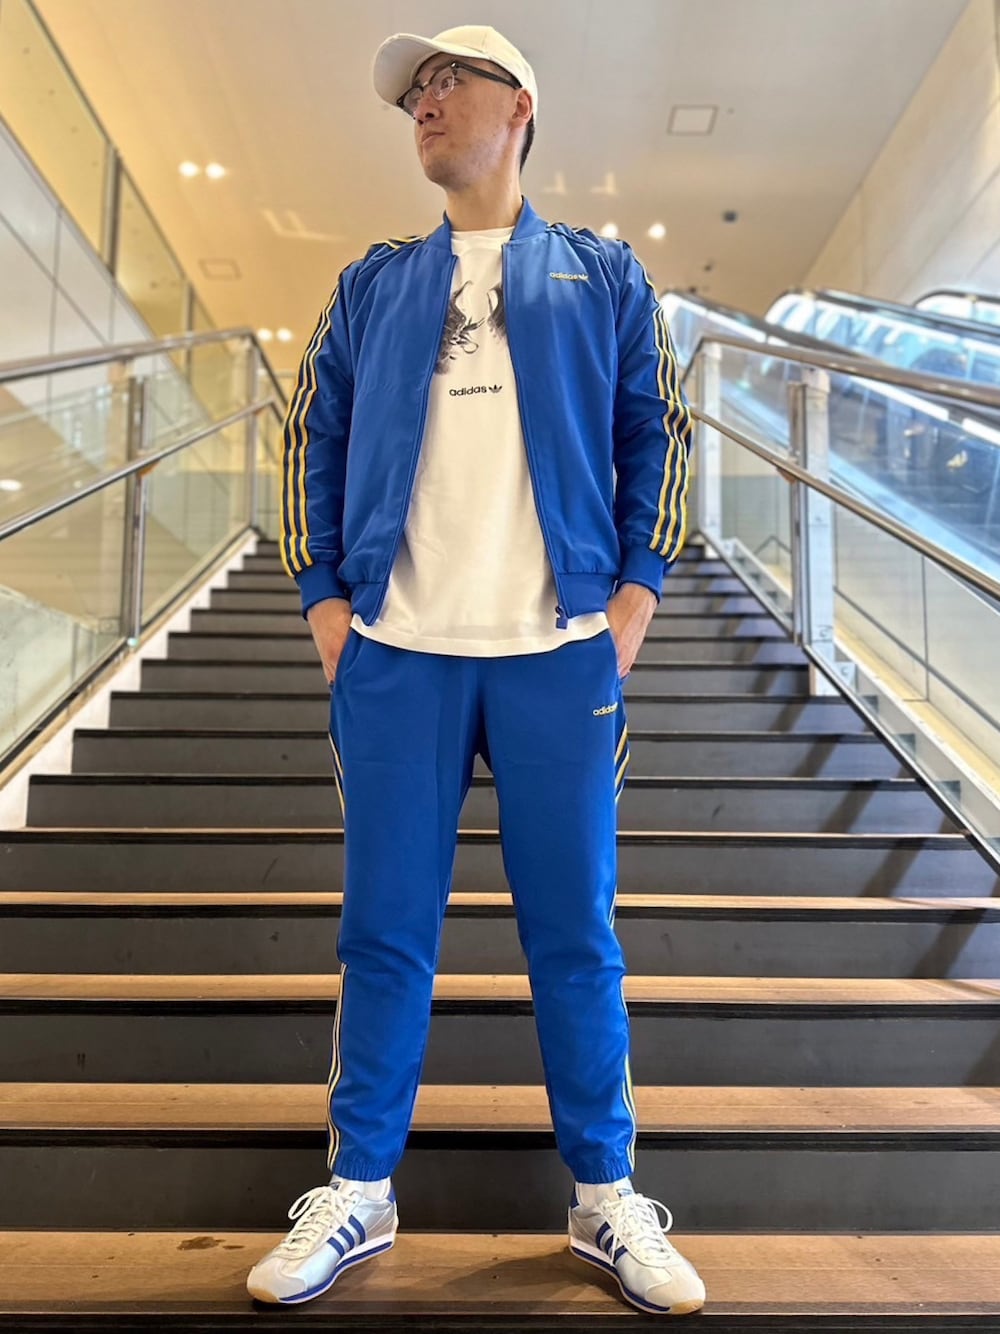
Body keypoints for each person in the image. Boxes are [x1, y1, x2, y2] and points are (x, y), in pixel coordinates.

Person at [247, 23, 702, 1317]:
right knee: (384, 931)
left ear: (522, 107)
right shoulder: (372, 284)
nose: (424, 104)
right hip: (397, 655)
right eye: (414, 91)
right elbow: (310, 435)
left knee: (576, 936)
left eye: (450, 82)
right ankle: (359, 1185)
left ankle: (606, 1194)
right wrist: (325, 604)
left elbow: (657, 429)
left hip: (559, 654)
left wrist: (634, 596)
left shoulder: (603, 274)